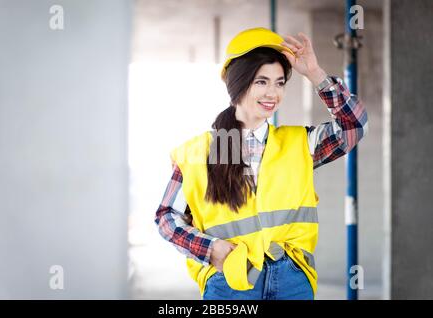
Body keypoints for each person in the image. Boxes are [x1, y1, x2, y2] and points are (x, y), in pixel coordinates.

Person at [154, 27, 368, 300]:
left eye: (280, 83)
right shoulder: (196, 152)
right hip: (230, 279)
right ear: (239, 84)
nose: (272, 93)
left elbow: (354, 125)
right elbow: (166, 217)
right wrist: (211, 249)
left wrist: (315, 74)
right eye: (261, 81)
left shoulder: (301, 143)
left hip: (292, 279)